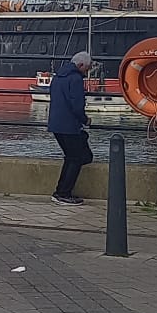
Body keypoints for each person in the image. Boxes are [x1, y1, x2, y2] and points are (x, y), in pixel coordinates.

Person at [47, 50, 93, 204]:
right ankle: (63, 193)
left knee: (71, 157)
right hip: (70, 125)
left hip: (56, 124)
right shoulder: (75, 79)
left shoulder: (58, 77)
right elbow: (77, 105)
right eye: (86, 69)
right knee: (78, 158)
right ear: (80, 65)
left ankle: (61, 192)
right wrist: (85, 120)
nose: (86, 73)